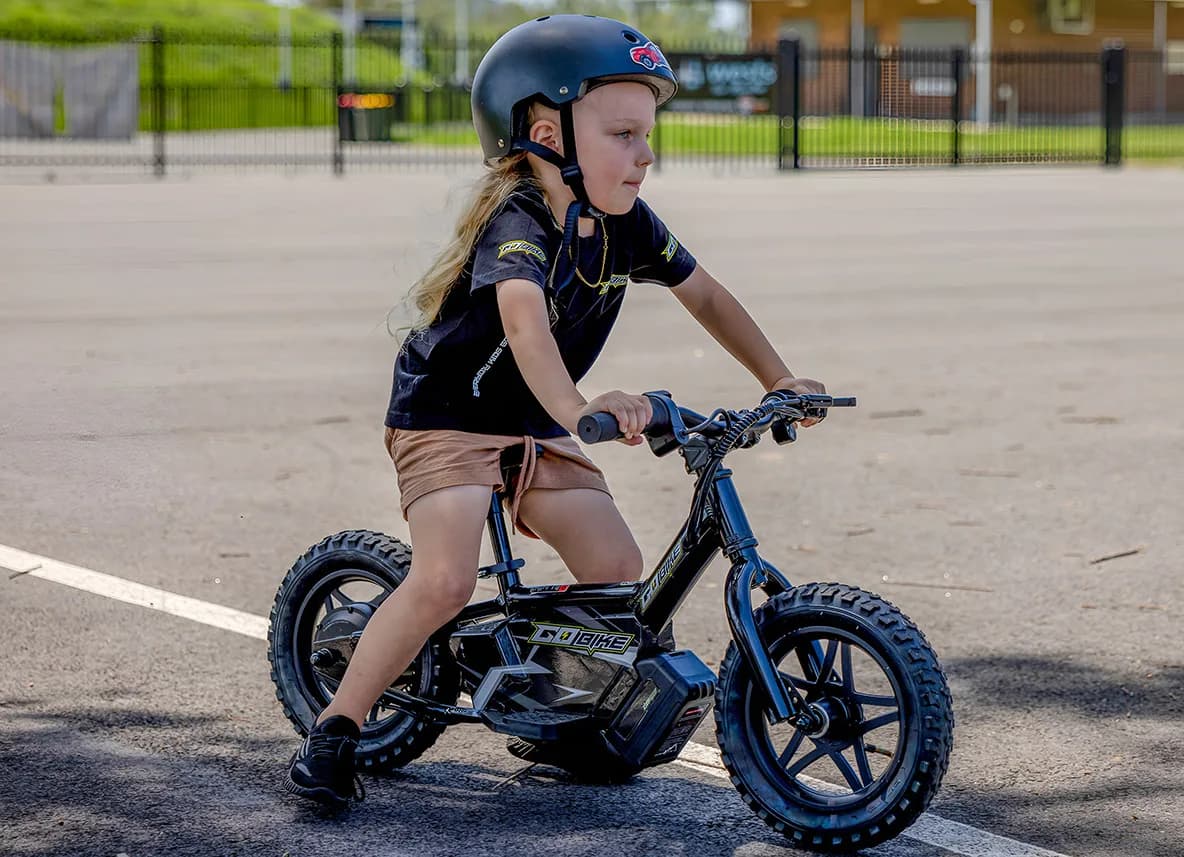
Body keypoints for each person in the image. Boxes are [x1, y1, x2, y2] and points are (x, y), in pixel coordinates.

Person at [285, 14, 825, 808]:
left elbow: (706, 294)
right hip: (448, 416)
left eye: (647, 134)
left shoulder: (625, 225)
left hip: (536, 421)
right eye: (623, 134)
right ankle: (335, 730)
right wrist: (582, 410)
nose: (645, 154)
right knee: (443, 580)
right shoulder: (519, 222)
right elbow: (525, 328)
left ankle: (557, 700)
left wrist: (779, 379)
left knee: (616, 568)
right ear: (547, 135)